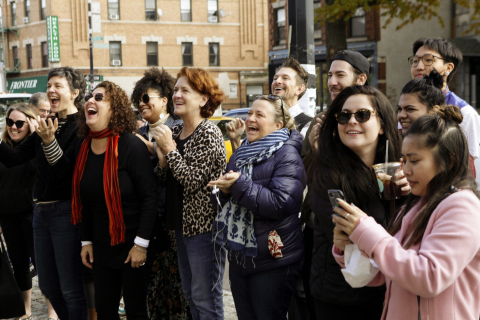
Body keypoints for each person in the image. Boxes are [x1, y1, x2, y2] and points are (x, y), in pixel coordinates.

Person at [332, 107, 480, 320]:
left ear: (449, 160)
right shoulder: (417, 203)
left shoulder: (463, 206)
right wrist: (350, 245)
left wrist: (366, 230)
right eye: (404, 160)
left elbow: (429, 277)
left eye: (415, 160)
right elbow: (385, 272)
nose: (406, 170)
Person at [46, 80, 158, 319]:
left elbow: (150, 197)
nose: (90, 101)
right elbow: (85, 202)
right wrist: (86, 241)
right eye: (89, 97)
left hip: (133, 244)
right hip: (101, 246)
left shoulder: (130, 144)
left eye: (98, 97)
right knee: (105, 311)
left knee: (136, 311)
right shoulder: (82, 146)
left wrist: (141, 245)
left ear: (114, 108)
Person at [310, 86, 408, 320]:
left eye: (362, 114)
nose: (352, 121)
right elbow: (356, 238)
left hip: (394, 292)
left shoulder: (402, 170)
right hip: (343, 297)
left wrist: (411, 190)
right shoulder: (327, 176)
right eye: (344, 116)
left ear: (383, 125)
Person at [207, 95, 306, 319]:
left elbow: (280, 203)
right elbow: (228, 203)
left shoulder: (287, 154)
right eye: (250, 113)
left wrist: (238, 184)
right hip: (241, 259)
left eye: (259, 115)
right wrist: (222, 192)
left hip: (273, 262)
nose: (250, 118)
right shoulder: (241, 153)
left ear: (278, 125)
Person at [0, 67, 87, 320]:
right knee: (48, 285)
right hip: (41, 212)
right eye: (49, 85)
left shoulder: (81, 127)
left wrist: (49, 142)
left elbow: (65, 174)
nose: (51, 90)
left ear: (75, 92)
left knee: (70, 287)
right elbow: (15, 156)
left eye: (58, 85)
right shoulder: (48, 123)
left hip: (65, 212)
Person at [153, 67, 227, 320]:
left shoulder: (209, 133)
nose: (177, 95)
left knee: (206, 298)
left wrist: (169, 151)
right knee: (190, 294)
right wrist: (163, 162)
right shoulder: (173, 132)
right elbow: (163, 179)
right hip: (180, 227)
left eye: (185, 90)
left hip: (204, 230)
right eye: (175, 90)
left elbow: (192, 180)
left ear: (203, 99)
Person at [130, 67, 191, 320]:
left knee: (178, 290)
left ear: (164, 101)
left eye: (147, 99)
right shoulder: (140, 132)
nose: (142, 105)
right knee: (152, 291)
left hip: (174, 221)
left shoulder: (177, 128)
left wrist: (150, 147)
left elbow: (177, 172)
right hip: (149, 222)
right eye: (138, 100)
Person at [409, 37, 480, 162]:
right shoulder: (405, 108)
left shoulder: (465, 113)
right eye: (415, 61)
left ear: (448, 68)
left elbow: (467, 167)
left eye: (428, 60)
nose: (419, 67)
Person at [398, 69, 476, 177]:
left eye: (410, 109)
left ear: (434, 110)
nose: (401, 115)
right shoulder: (395, 141)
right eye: (399, 109)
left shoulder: (454, 150)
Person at [0, 104, 37, 320]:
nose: (14, 127)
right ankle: (26, 310)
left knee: (42, 264)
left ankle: (52, 311)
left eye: (20, 123)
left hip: (32, 214)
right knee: (20, 264)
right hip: (8, 215)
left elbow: (36, 169)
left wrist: (35, 137)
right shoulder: (3, 148)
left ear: (29, 123)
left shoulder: (34, 148)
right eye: (10, 122)